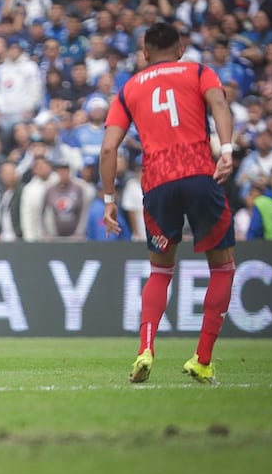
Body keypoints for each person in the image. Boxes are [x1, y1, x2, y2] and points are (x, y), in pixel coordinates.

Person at [100, 23, 235, 384]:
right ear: (180, 50)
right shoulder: (198, 72)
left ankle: (145, 349)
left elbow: (109, 148)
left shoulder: (129, 88)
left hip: (157, 184)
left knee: (160, 271)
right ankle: (202, 359)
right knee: (222, 268)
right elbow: (219, 104)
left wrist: (109, 200)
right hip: (199, 175)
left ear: (145, 53)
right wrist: (227, 149)